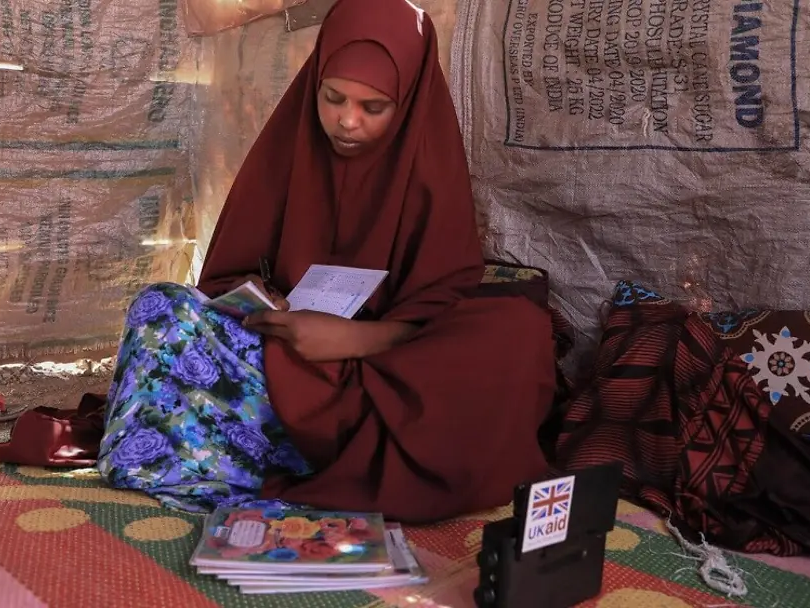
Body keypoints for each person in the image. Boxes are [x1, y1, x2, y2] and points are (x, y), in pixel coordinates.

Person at [91, 0, 557, 521]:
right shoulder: (287, 148)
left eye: (374, 107)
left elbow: (441, 305)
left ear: (406, 102)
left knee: (518, 330)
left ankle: (237, 454)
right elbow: (225, 276)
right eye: (333, 98)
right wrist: (262, 297)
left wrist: (354, 339)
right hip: (279, 360)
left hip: (381, 378)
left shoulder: (430, 168)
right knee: (160, 307)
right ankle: (226, 454)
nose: (347, 122)